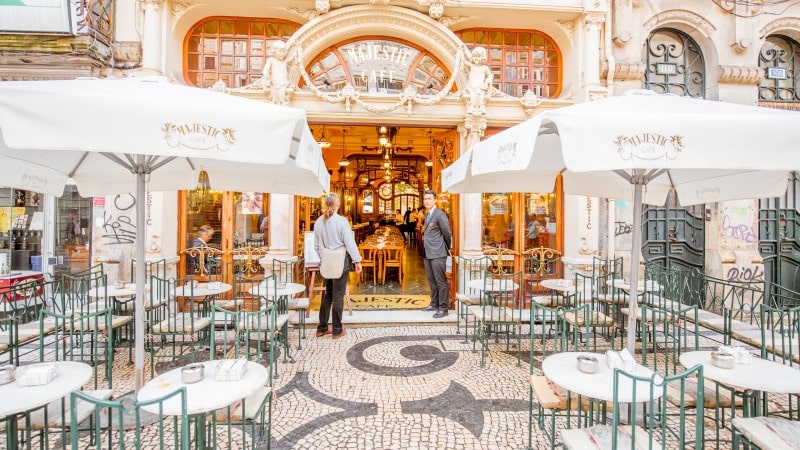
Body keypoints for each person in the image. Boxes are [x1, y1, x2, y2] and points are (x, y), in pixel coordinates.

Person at [314, 193, 362, 339]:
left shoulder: (318, 222)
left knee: (327, 294)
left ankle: (321, 328)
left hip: (326, 262)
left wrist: (324, 257)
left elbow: (316, 246)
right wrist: (357, 260)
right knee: (338, 296)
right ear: (337, 204)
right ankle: (336, 330)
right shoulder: (341, 221)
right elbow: (349, 243)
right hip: (340, 262)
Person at [421, 189, 452, 318]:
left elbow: (447, 233)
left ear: (435, 200)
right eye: (425, 199)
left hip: (438, 253)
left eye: (429, 199)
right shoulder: (428, 215)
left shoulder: (440, 214)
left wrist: (445, 247)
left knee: (440, 281)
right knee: (431, 280)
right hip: (428, 253)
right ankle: (434, 303)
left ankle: (443, 308)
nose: (427, 201)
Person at [462, 46, 493, 115]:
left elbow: (490, 75)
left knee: (480, 97)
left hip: (480, 86)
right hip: (472, 85)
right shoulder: (472, 66)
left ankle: (481, 108)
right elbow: (464, 61)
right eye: (475, 56)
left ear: (482, 58)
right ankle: (471, 108)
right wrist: (463, 51)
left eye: (478, 56)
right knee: (472, 96)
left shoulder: (485, 68)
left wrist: (487, 80)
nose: (476, 58)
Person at [260, 40, 293, 105]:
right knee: (275, 96)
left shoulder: (284, 62)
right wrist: (267, 77)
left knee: (282, 95)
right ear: (275, 52)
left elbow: (292, 58)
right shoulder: (271, 60)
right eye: (280, 51)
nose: (282, 53)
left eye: (283, 51)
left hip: (283, 83)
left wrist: (298, 49)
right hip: (274, 83)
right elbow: (265, 70)